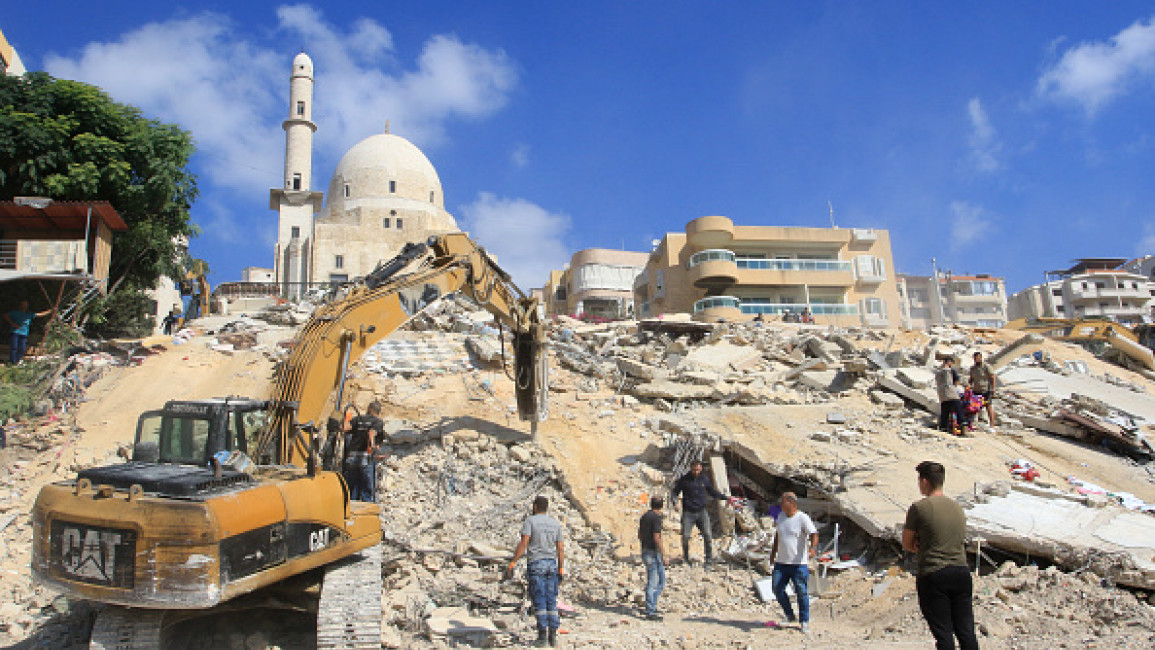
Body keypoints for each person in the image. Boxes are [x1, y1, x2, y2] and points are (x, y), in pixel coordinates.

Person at [902, 461, 979, 650]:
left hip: (934, 574)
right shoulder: (957, 508)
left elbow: (906, 543)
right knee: (966, 631)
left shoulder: (919, 508)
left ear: (925, 482)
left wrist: (920, 546)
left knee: (944, 634)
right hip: (961, 573)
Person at [507, 495, 565, 647]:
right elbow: (560, 548)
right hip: (552, 564)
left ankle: (542, 636)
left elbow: (524, 543)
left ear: (535, 507)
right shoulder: (555, 524)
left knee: (539, 599)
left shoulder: (530, 522)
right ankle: (553, 635)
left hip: (537, 564)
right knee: (551, 599)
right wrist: (561, 568)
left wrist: (513, 562)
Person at [769, 492, 818, 634]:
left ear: (791, 502)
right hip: (781, 562)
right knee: (777, 588)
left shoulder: (802, 518)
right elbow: (778, 535)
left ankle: (804, 621)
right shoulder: (781, 517)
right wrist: (773, 553)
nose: (780, 504)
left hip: (798, 564)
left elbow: (814, 534)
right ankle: (789, 615)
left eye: (782, 501)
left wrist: (813, 548)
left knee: (801, 592)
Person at [670, 460, 733, 565]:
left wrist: (725, 498)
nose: (696, 471)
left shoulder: (704, 479)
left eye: (698, 469)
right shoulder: (684, 480)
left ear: (701, 468)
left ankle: (708, 560)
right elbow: (675, 492)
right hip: (688, 513)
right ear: (691, 468)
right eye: (694, 469)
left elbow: (712, 492)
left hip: (702, 512)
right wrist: (675, 502)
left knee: (708, 535)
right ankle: (686, 558)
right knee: (685, 536)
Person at [343, 401, 383, 501]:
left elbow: (346, 428)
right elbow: (371, 432)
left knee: (352, 486)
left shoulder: (358, 419)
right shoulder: (377, 422)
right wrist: (373, 445)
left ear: (369, 409)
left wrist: (346, 420)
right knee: (367, 488)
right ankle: (366, 509)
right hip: (365, 457)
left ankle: (351, 507)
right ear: (378, 412)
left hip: (352, 456)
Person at [638, 496, 667, 620]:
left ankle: (652, 606)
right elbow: (657, 537)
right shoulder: (656, 518)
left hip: (645, 550)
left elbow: (639, 534)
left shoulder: (644, 517)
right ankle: (650, 611)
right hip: (653, 553)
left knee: (660, 580)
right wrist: (663, 554)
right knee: (654, 582)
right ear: (661, 506)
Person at [935, 357, 964, 434]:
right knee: (958, 408)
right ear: (949, 362)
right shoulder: (950, 371)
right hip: (950, 392)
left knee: (945, 411)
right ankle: (963, 424)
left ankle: (943, 427)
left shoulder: (938, 372)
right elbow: (956, 381)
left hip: (942, 393)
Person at [968, 351, 997, 427]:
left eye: (977, 358)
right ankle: (972, 422)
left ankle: (992, 424)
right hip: (976, 390)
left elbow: (992, 377)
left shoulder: (986, 367)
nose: (976, 360)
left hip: (986, 390)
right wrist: (969, 386)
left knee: (988, 406)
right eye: (975, 358)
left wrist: (993, 389)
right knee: (974, 406)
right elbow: (971, 378)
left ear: (981, 358)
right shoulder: (973, 368)